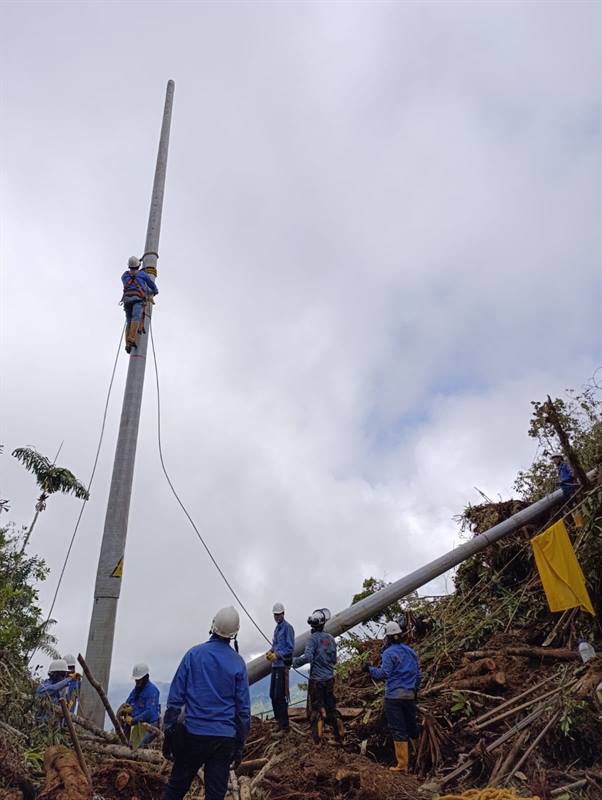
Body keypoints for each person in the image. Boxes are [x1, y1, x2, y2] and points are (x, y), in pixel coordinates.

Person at [162, 606, 251, 800]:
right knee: (215, 796)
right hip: (224, 740)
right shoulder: (237, 663)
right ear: (234, 634)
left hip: (194, 735)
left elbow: (175, 698)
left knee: (175, 790)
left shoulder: (193, 655)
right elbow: (243, 710)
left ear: (213, 626)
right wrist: (239, 744)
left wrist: (168, 731)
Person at [366, 620, 420, 773]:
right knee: (412, 727)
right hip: (409, 696)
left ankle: (402, 765)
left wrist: (369, 669)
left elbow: (383, 674)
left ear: (388, 637)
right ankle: (418, 755)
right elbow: (418, 674)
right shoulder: (411, 651)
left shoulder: (389, 653)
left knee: (398, 729)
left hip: (394, 697)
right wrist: (414, 690)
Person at [292, 608, 344, 744]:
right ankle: (339, 732)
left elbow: (308, 656)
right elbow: (334, 659)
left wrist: (294, 662)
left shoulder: (312, 639)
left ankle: (318, 738)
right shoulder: (331, 639)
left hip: (317, 681)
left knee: (316, 708)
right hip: (329, 679)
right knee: (330, 707)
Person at [265, 602, 295, 734]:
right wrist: (270, 651)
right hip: (275, 666)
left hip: (282, 666)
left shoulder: (288, 628)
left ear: (283, 613)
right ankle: (279, 721)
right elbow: (275, 644)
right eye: (275, 615)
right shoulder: (277, 629)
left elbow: (290, 648)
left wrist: (276, 655)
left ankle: (284, 726)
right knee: (273, 695)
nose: (277, 617)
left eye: (278, 614)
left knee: (279, 696)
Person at [121, 256, 158, 353]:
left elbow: (132, 271)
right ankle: (131, 338)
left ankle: (128, 344)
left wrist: (138, 262)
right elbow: (151, 284)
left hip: (127, 300)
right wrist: (155, 291)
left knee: (129, 321)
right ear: (138, 266)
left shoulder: (125, 276)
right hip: (138, 300)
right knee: (135, 318)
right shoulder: (142, 274)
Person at [121, 662, 161, 749]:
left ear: (146, 677)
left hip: (151, 725)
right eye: (136, 680)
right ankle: (124, 746)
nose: (137, 681)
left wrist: (132, 720)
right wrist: (125, 710)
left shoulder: (152, 691)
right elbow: (128, 702)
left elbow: (149, 713)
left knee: (138, 746)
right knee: (126, 744)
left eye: (139, 679)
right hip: (138, 724)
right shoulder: (136, 690)